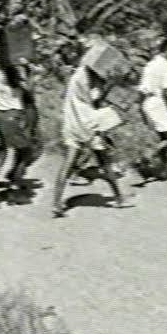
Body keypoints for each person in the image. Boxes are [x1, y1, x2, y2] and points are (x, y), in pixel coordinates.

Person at [53, 48, 134, 218]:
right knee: (105, 162)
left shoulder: (77, 76)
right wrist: (108, 85)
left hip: (72, 123)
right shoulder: (92, 82)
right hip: (88, 125)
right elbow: (95, 101)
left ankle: (56, 203)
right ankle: (119, 197)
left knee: (68, 163)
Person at [0, 50, 40, 210]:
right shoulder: (11, 72)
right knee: (24, 153)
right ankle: (14, 191)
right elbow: (29, 92)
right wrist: (30, 71)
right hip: (12, 116)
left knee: (0, 155)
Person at [136, 38, 167, 180]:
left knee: (163, 137)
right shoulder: (165, 65)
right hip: (159, 103)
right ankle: (147, 156)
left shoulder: (150, 65)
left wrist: (141, 108)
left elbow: (141, 89)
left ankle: (164, 170)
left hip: (148, 102)